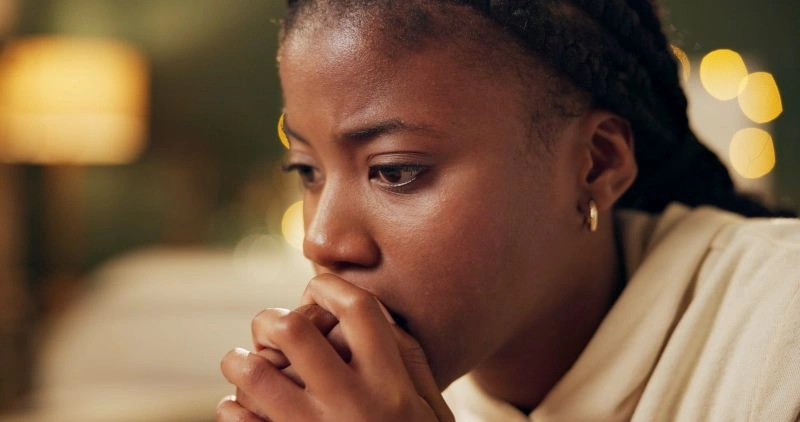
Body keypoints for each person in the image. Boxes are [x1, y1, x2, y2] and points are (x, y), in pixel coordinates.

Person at [218, 1, 800, 420]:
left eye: (395, 170)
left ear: (595, 165)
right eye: (307, 171)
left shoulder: (781, 331)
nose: (321, 241)